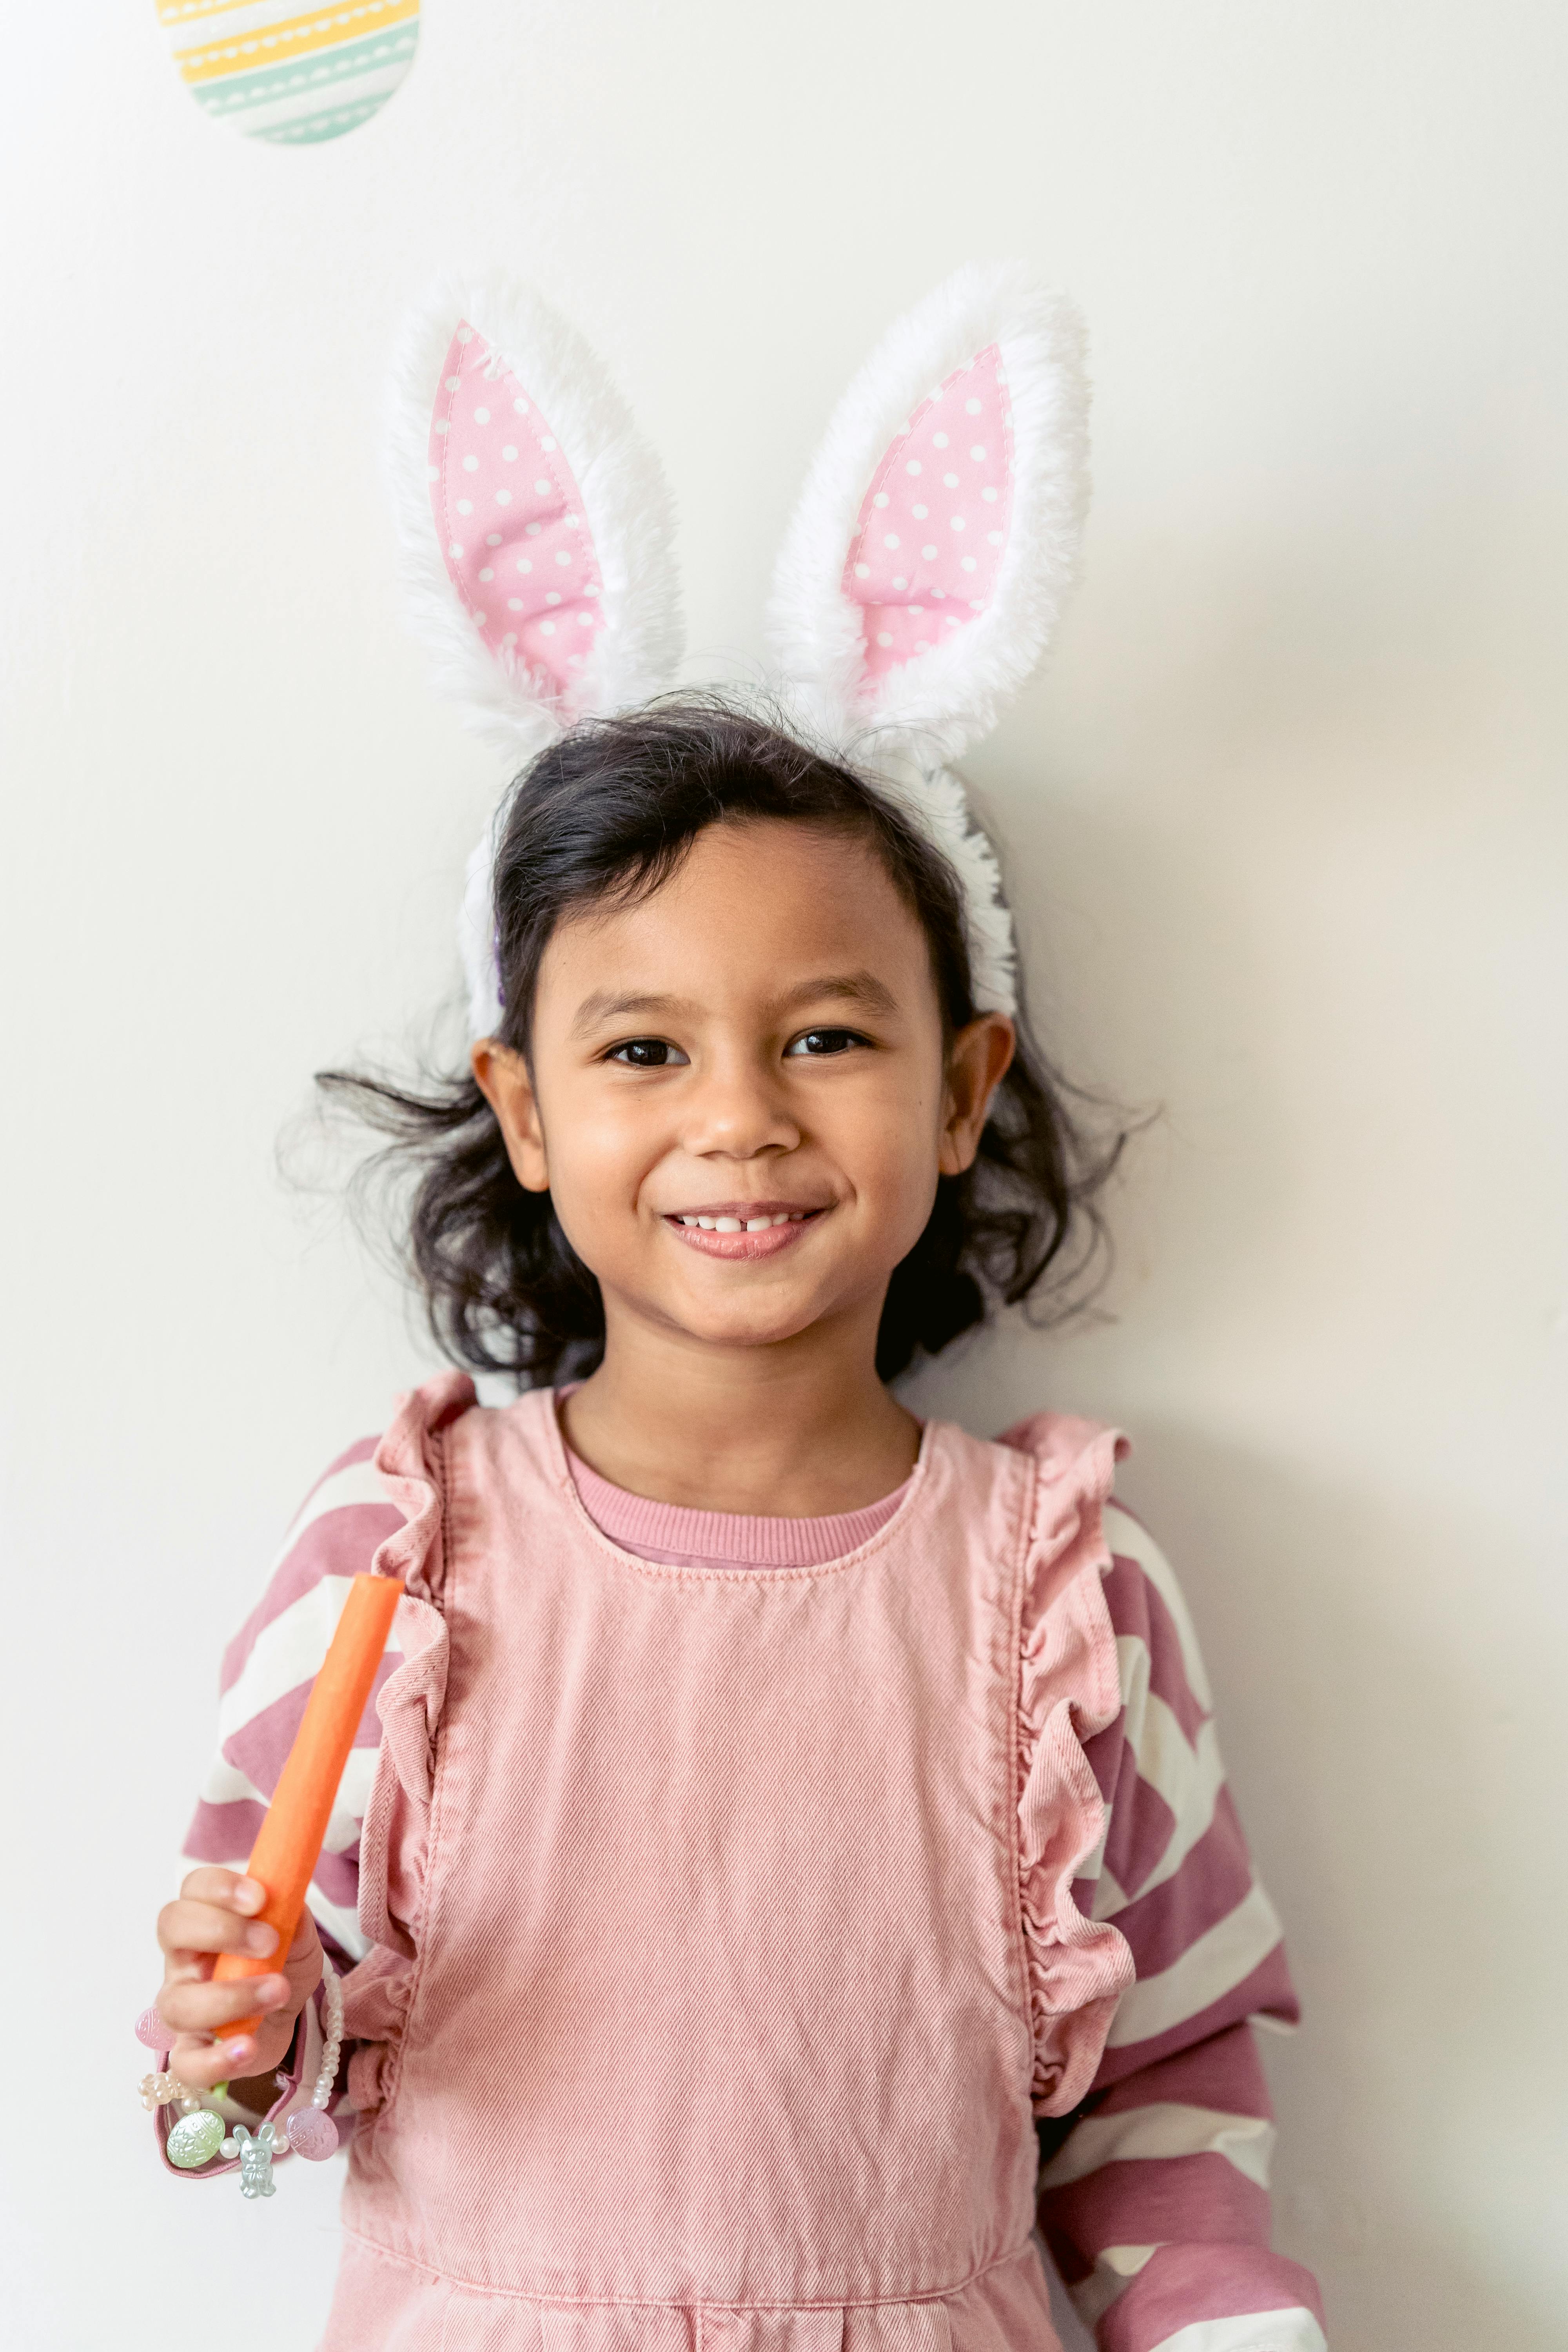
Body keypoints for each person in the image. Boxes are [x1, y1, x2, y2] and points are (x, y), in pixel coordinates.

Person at [146, 270, 1327, 2352]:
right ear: (519, 1109)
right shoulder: (399, 1565)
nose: (742, 1123)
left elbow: (1166, 2091)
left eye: (827, 1037)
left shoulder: (1065, 1596)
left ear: (963, 1088)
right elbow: (263, 2044)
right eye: (640, 1054)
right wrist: (241, 2043)